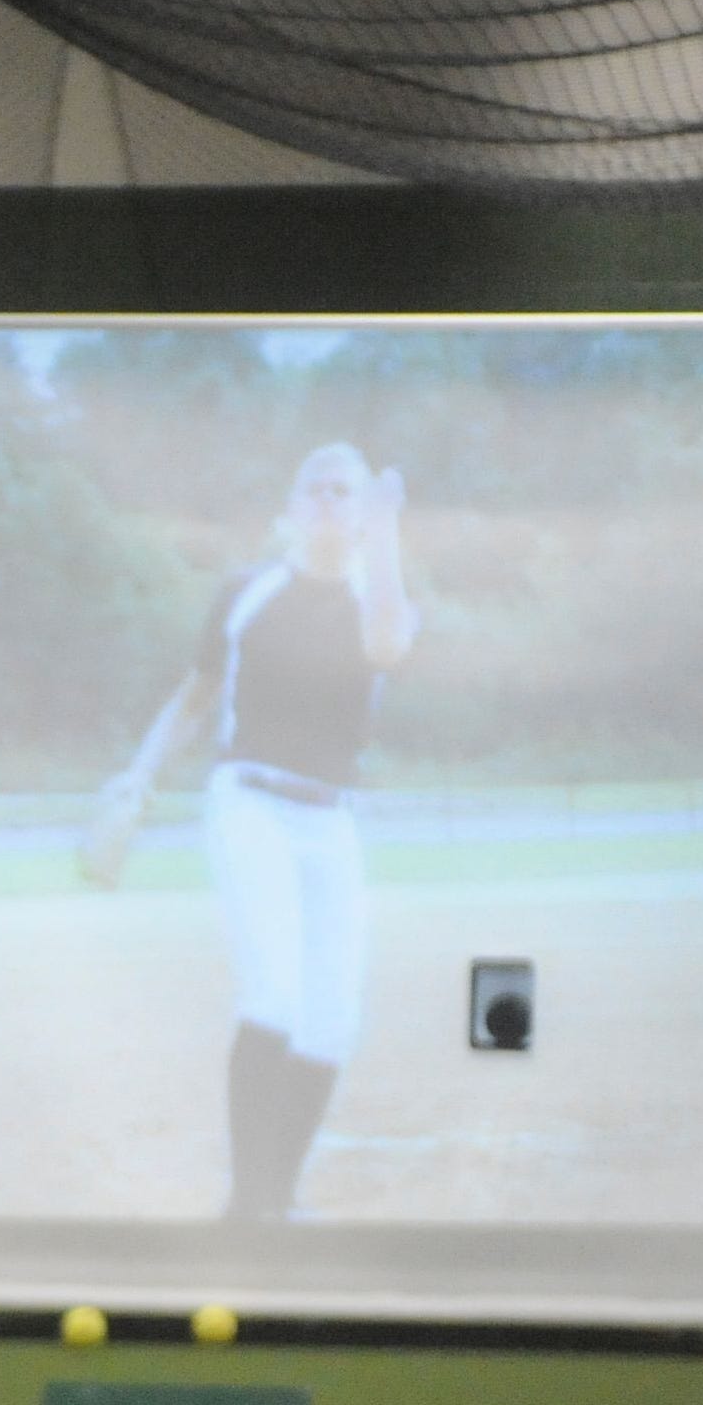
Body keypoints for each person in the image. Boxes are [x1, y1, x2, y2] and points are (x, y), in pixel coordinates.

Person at [94, 442, 417, 1219]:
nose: (330, 501)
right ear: (292, 507)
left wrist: (386, 536)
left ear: (364, 511)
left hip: (330, 818)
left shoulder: (379, 592)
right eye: (317, 490)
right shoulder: (247, 591)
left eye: (346, 492)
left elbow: (386, 645)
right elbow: (195, 697)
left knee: (331, 1023)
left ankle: (276, 1201)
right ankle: (248, 1207)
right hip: (250, 804)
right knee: (273, 996)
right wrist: (140, 775)